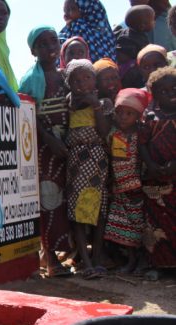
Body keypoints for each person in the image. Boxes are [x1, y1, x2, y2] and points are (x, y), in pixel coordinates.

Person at [19, 27, 72, 277]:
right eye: (42, 44)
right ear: (33, 50)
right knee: (49, 201)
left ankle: (61, 255)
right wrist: (50, 140)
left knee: (66, 202)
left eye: (54, 41)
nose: (50, 46)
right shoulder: (31, 79)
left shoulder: (66, 76)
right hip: (45, 149)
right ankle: (51, 260)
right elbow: (28, 115)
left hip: (68, 146)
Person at [64, 59, 113, 279]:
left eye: (87, 77)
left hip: (97, 161)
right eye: (76, 79)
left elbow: (103, 132)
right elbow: (73, 105)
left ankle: (97, 258)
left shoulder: (104, 103)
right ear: (70, 83)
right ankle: (85, 261)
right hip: (77, 162)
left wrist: (96, 106)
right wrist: (88, 102)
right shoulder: (70, 101)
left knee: (99, 209)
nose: (82, 83)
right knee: (78, 212)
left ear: (95, 79)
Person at [104, 88, 151, 273]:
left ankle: (140, 262)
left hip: (137, 189)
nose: (123, 117)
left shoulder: (141, 135)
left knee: (138, 226)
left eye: (129, 113)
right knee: (124, 226)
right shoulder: (113, 134)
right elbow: (110, 158)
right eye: (120, 112)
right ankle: (130, 260)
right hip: (118, 188)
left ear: (138, 116)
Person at [140, 66, 176, 274]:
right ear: (155, 94)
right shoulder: (150, 116)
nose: (171, 93)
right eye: (164, 91)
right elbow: (142, 143)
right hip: (155, 179)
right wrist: (151, 165)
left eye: (174, 88)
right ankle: (159, 264)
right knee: (156, 222)